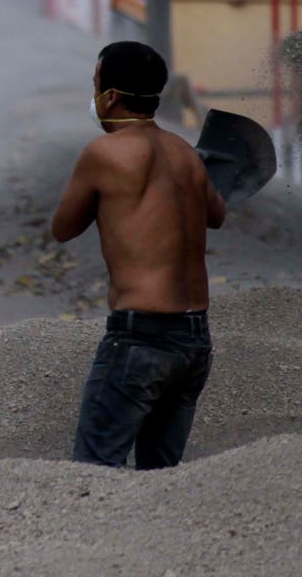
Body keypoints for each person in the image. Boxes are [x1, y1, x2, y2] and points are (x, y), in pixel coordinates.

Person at [50, 41, 224, 469]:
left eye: (95, 85)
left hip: (141, 336)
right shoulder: (186, 153)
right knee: (160, 478)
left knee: (93, 470)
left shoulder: (103, 154)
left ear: (109, 97)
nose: (93, 96)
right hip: (194, 341)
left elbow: (63, 228)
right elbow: (217, 214)